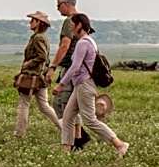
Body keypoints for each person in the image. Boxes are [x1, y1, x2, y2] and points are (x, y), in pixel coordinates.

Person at [55, 13, 129, 156]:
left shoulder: (82, 43)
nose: (71, 29)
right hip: (80, 86)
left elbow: (75, 66)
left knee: (89, 120)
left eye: (72, 26)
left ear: (79, 25)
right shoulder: (90, 41)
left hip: (84, 85)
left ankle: (119, 144)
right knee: (68, 117)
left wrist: (61, 84)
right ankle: (65, 152)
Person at [47, 0, 89, 148]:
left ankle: (72, 142)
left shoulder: (69, 22)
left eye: (58, 5)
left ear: (66, 4)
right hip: (81, 70)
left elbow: (64, 45)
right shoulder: (83, 20)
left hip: (70, 68)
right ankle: (78, 138)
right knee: (73, 104)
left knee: (61, 104)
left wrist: (52, 67)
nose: (58, 9)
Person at [13, 11, 61, 137]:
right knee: (44, 106)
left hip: (32, 77)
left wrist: (27, 64)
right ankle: (64, 128)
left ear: (39, 23)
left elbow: (42, 56)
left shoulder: (38, 37)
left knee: (24, 104)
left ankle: (19, 134)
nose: (30, 22)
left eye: (33, 20)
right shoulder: (40, 37)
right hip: (40, 77)